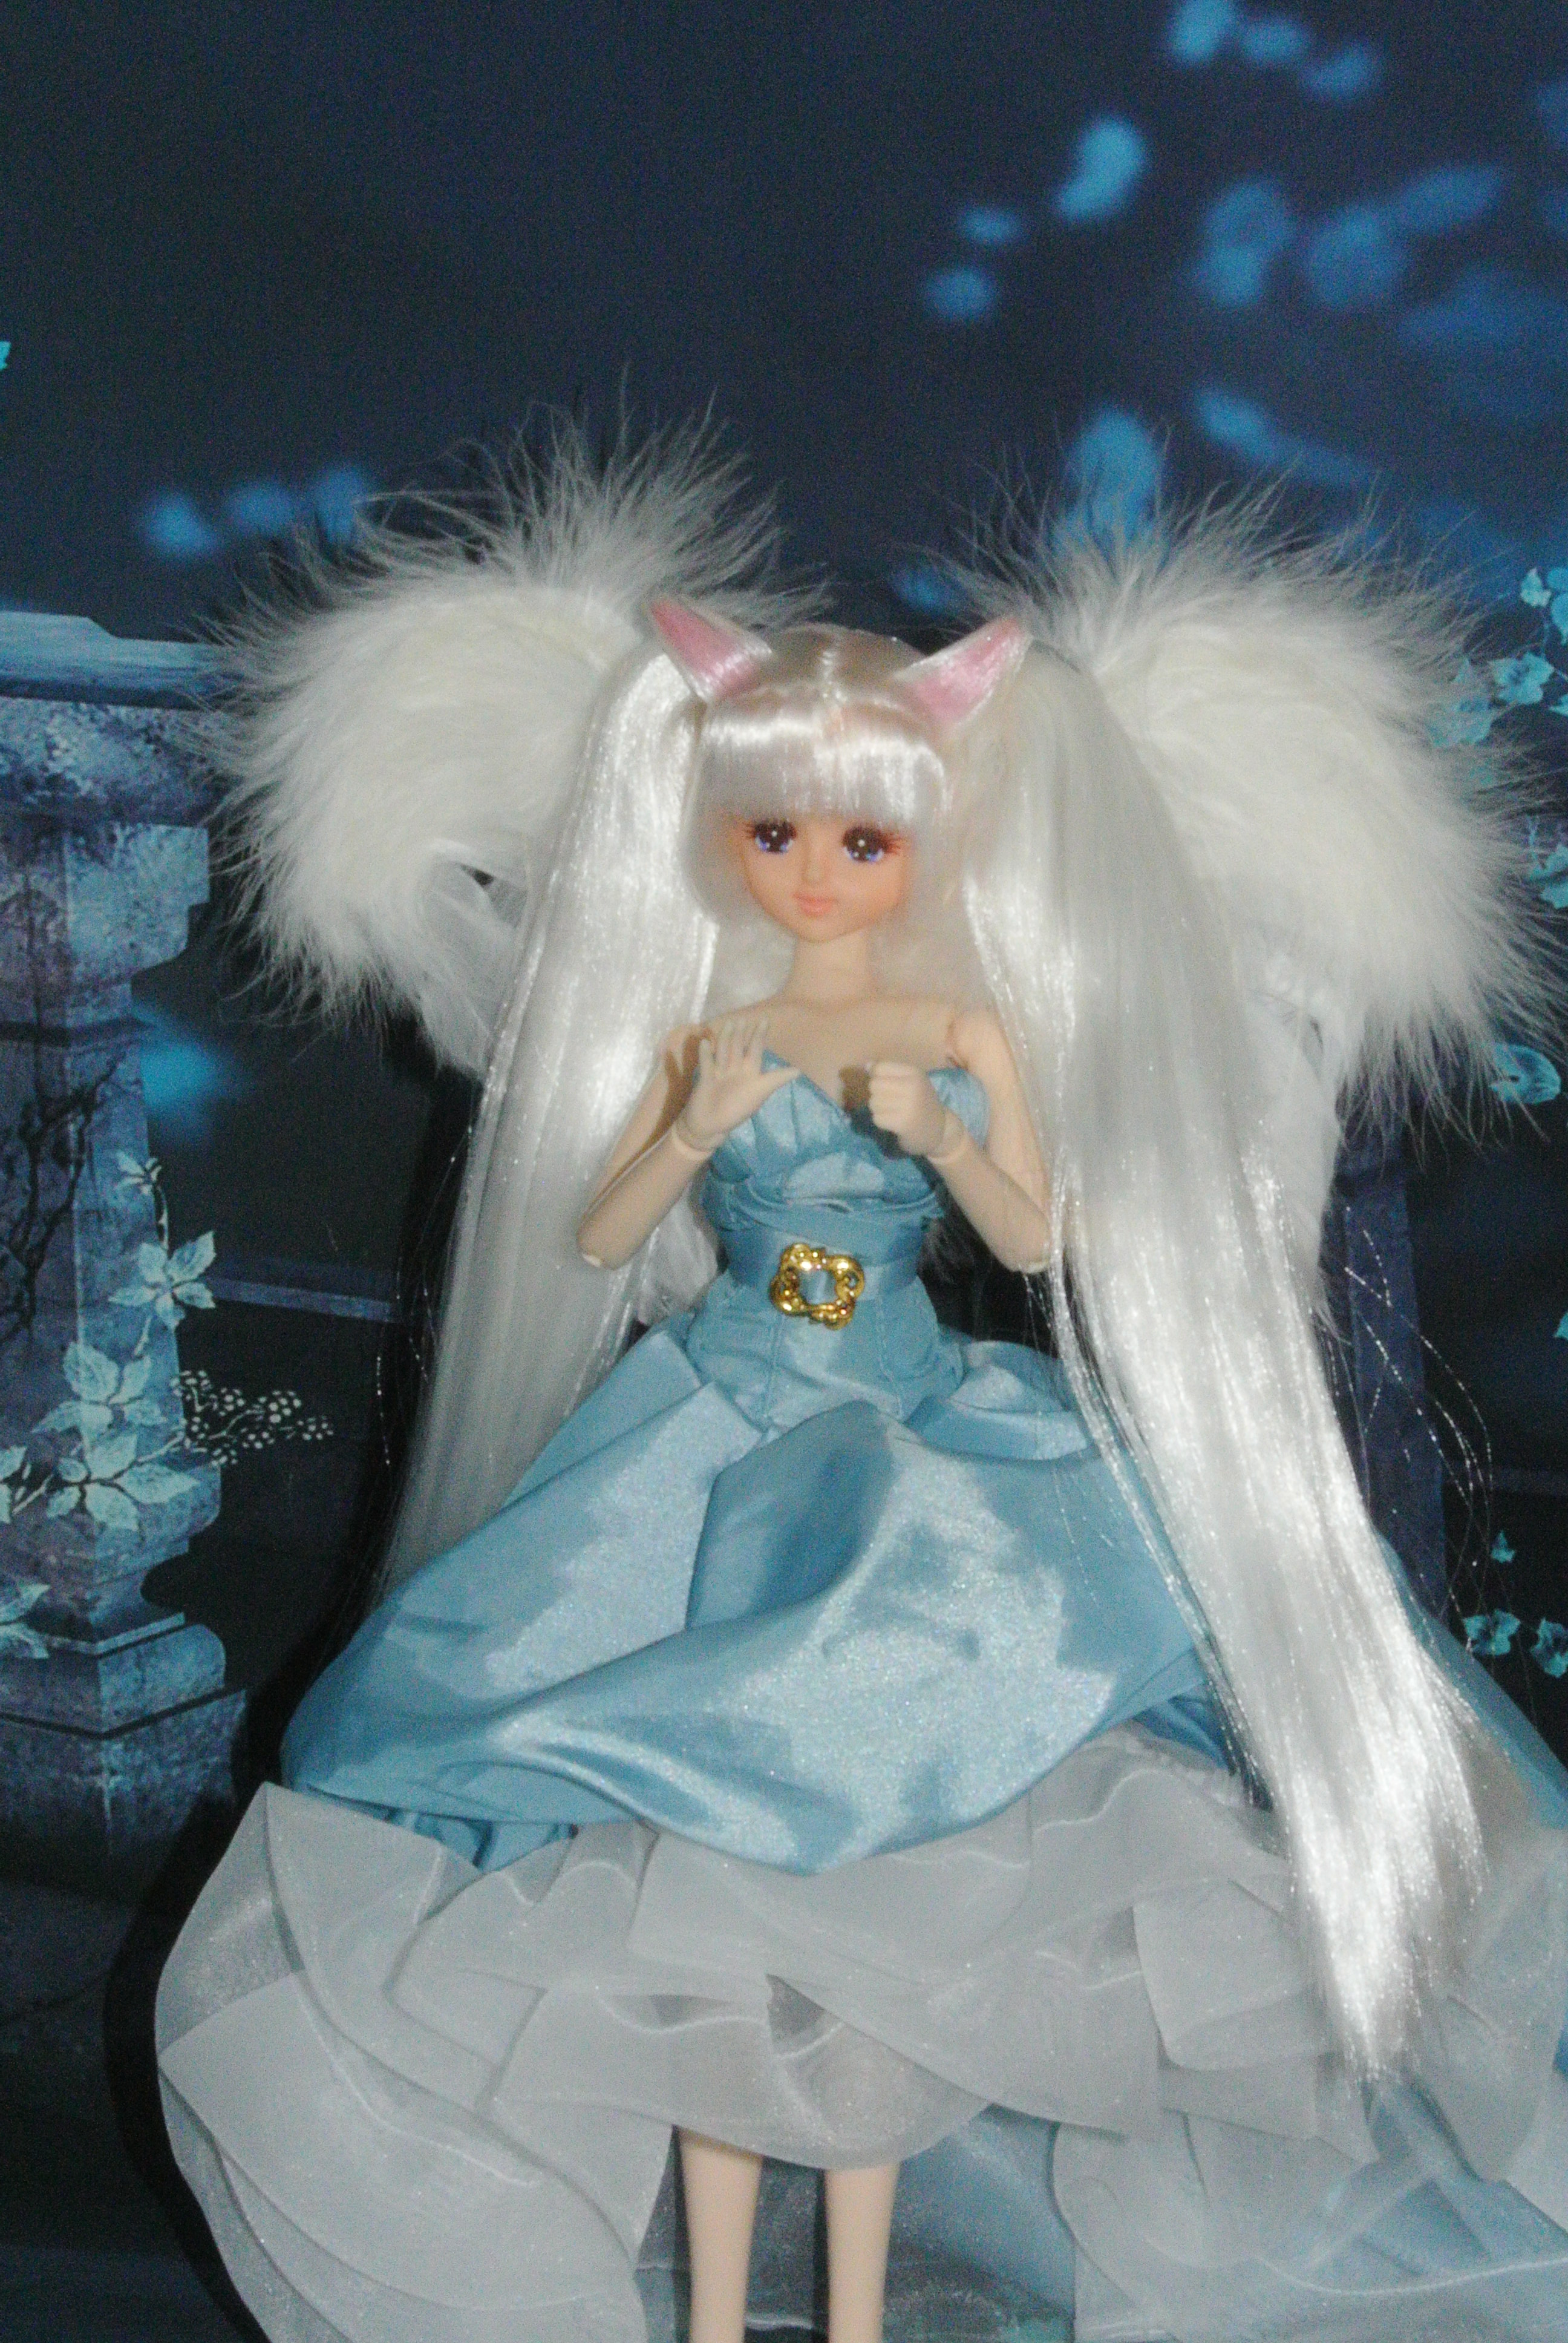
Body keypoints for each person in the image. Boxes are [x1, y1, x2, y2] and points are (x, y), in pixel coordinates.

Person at [158, 432, 1568, 2342]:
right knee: (701, 1923)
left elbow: (1042, 1234)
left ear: (928, 843)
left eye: (862, 841)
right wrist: (687, 1128)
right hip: (712, 1428)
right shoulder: (700, 1027)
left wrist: (945, 1127)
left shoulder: (963, 1022)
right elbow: (601, 1232)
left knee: (895, 1941)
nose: (815, 874)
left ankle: (854, 2305)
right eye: (774, 836)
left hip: (913, 1430)